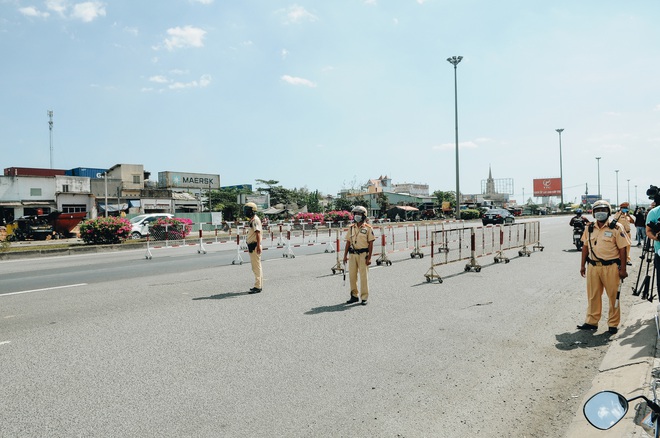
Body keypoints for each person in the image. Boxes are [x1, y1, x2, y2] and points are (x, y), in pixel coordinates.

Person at [578, 200, 630, 334]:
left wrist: (623, 269)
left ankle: (613, 324)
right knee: (593, 295)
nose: (600, 213)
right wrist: (582, 265)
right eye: (597, 210)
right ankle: (591, 322)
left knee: (613, 296)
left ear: (609, 212)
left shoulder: (616, 227)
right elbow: (585, 247)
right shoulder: (589, 228)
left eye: (603, 210)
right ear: (593, 213)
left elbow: (623, 249)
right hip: (593, 267)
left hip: (611, 267)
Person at [343, 206, 375, 305]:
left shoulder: (368, 228)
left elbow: (371, 244)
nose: (357, 216)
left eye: (359, 214)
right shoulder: (351, 228)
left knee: (363, 276)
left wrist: (369, 258)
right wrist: (345, 256)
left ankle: (364, 297)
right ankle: (354, 296)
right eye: (355, 214)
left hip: (363, 255)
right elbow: (348, 242)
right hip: (352, 254)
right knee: (352, 276)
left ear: (363, 215)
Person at [244, 202, 263, 294]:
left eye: (247, 210)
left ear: (252, 211)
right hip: (253, 246)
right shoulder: (252, 220)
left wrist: (258, 245)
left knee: (256, 267)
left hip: (255, 246)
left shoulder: (255, 220)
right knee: (255, 267)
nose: (245, 212)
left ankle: (258, 286)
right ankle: (258, 285)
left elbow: (258, 233)